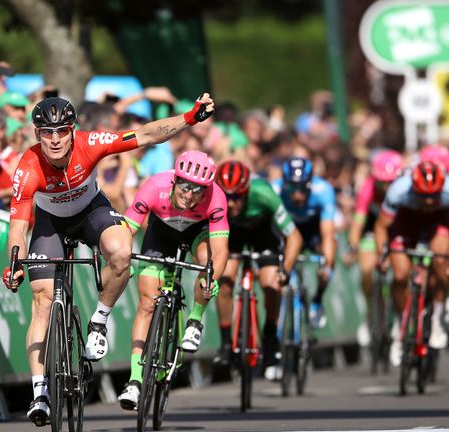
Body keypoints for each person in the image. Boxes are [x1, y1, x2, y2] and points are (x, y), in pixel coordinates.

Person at [3, 95, 215, 426]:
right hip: (50, 223)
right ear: (36, 134)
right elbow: (17, 226)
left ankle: (99, 320)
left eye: (62, 130)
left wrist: (189, 117)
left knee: (121, 250)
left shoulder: (91, 144)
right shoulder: (28, 169)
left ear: (73, 131)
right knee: (43, 300)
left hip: (91, 211)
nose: (55, 139)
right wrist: (15, 261)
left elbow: (144, 135)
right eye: (47, 132)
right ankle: (40, 392)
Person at [116, 150, 229, 410]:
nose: (189, 195)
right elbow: (127, 228)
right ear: (175, 180)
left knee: (207, 262)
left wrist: (211, 277)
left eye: (198, 190)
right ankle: (134, 380)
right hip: (161, 232)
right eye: (185, 186)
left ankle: (195, 319)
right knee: (146, 303)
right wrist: (119, 258)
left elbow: (220, 249)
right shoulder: (154, 186)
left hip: (197, 233)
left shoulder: (216, 198)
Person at [213, 160, 302, 380]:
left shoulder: (264, 195)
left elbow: (294, 237)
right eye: (227, 197)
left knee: (271, 285)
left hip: (263, 233)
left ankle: (270, 335)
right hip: (231, 233)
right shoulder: (213, 197)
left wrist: (285, 270)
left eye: (237, 197)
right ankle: (226, 342)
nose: (232, 203)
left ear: (247, 191)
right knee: (223, 280)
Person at [374, 160, 449, 366]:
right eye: (423, 196)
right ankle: (402, 321)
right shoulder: (398, 190)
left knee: (440, 260)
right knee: (399, 275)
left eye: (434, 197)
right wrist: (383, 255)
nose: (428, 202)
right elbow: (381, 227)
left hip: (439, 221)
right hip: (406, 223)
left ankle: (438, 318)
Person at [272, 157, 336, 328]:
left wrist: (327, 266)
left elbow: (328, 235)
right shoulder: (275, 189)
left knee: (327, 257)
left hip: (313, 230)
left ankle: (317, 300)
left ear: (311, 183)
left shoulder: (323, 191)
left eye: (302, 187)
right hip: (287, 230)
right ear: (285, 183)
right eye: (292, 187)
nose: (297, 193)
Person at [347, 150, 402, 346]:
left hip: (396, 227)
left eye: (390, 182)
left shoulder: (402, 190)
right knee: (367, 269)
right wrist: (353, 245)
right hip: (371, 228)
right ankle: (370, 314)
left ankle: (398, 316)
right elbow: (358, 223)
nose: (386, 187)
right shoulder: (368, 188)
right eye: (382, 183)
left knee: (401, 272)